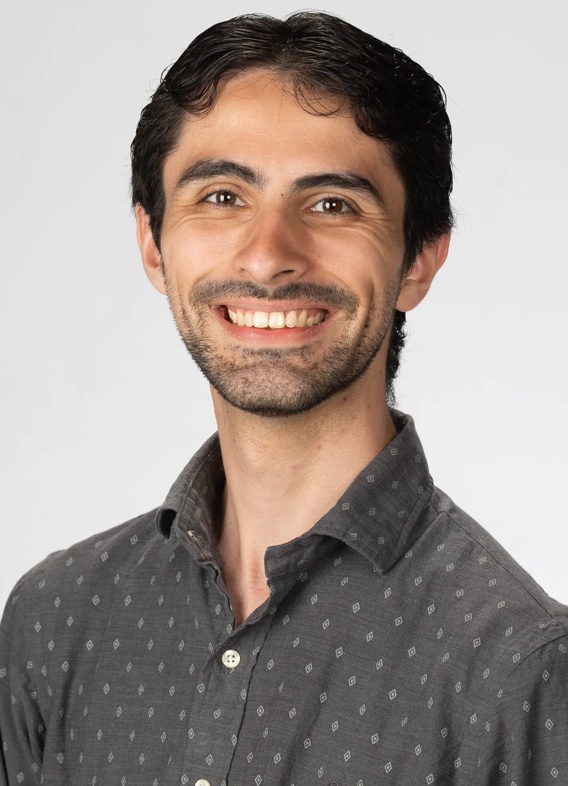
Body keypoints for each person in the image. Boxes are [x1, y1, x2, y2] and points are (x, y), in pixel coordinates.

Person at [1, 10, 567, 785]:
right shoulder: (56, 621)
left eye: (332, 204)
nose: (268, 256)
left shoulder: (521, 670)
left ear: (418, 259)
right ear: (152, 246)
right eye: (222, 196)